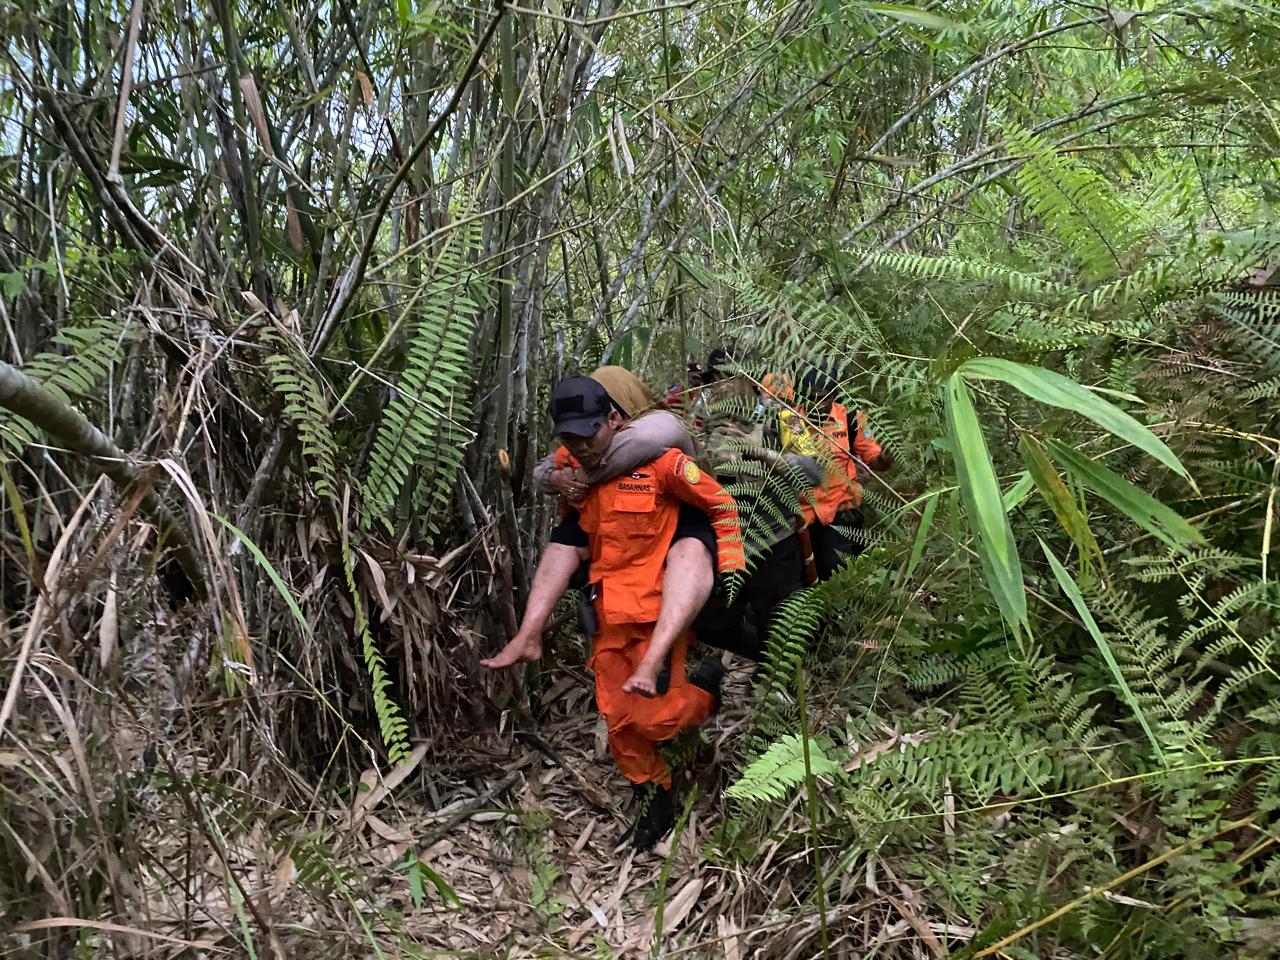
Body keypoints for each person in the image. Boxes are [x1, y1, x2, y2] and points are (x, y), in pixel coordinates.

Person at [483, 376, 745, 850]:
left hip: (657, 610)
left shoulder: (663, 462)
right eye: (570, 437)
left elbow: (719, 506)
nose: (581, 447)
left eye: (590, 434)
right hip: (609, 614)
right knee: (618, 719)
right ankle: (655, 798)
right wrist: (555, 477)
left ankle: (707, 686)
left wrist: (729, 566)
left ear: (615, 421)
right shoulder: (570, 468)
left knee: (657, 720)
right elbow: (565, 519)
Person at [776, 363, 894, 579]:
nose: (817, 405)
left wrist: (885, 459)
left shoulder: (851, 418)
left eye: (824, 398)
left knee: (840, 573)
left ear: (834, 395)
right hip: (804, 519)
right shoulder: (792, 418)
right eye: (812, 398)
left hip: (842, 513)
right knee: (806, 578)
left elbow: (872, 456)